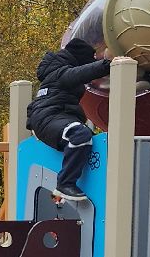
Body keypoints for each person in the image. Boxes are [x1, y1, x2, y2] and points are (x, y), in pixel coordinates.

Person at [25, 38, 111, 202]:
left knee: (89, 139)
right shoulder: (61, 74)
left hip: (53, 117)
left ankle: (65, 189)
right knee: (78, 134)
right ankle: (65, 183)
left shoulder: (54, 75)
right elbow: (82, 73)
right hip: (49, 119)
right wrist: (109, 64)